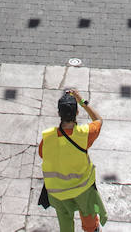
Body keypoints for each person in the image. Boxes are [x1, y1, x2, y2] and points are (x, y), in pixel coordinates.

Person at [38, 89, 108, 232]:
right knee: (88, 215)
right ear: (76, 113)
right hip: (83, 189)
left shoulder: (47, 138)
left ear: (59, 114)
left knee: (64, 220)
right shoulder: (85, 134)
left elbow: (43, 154)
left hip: (58, 192)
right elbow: (98, 120)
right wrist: (82, 101)